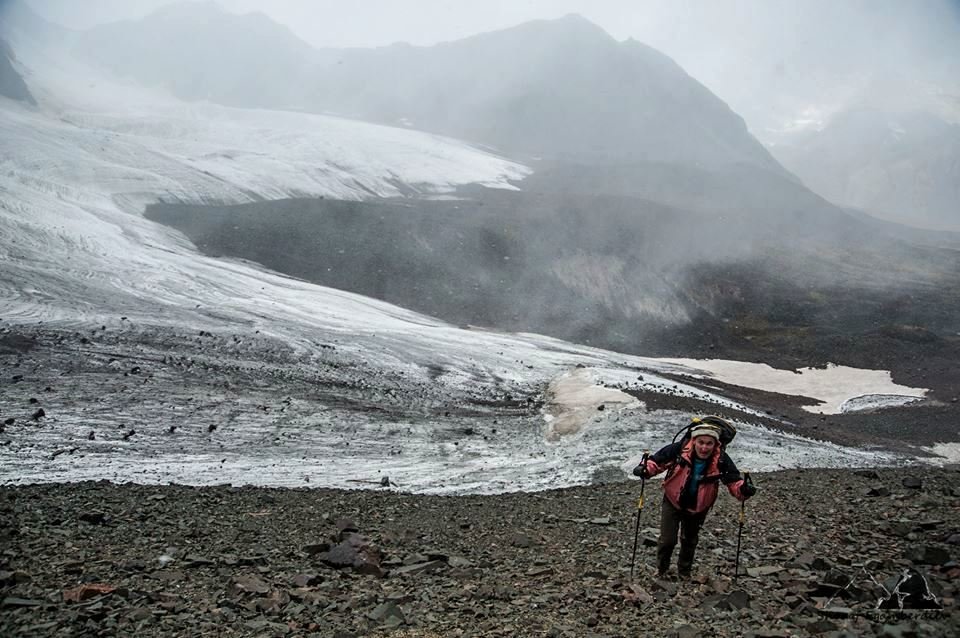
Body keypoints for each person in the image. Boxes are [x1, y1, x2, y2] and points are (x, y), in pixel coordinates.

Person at [633, 418, 756, 578]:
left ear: (715, 444)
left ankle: (684, 573)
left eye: (709, 443)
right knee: (667, 540)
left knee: (689, 541)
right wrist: (645, 469)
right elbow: (657, 462)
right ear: (694, 440)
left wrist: (743, 489)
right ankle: (662, 570)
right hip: (672, 500)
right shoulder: (679, 450)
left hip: (699, 507)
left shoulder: (721, 460)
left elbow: (733, 482)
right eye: (701, 442)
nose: (704, 447)